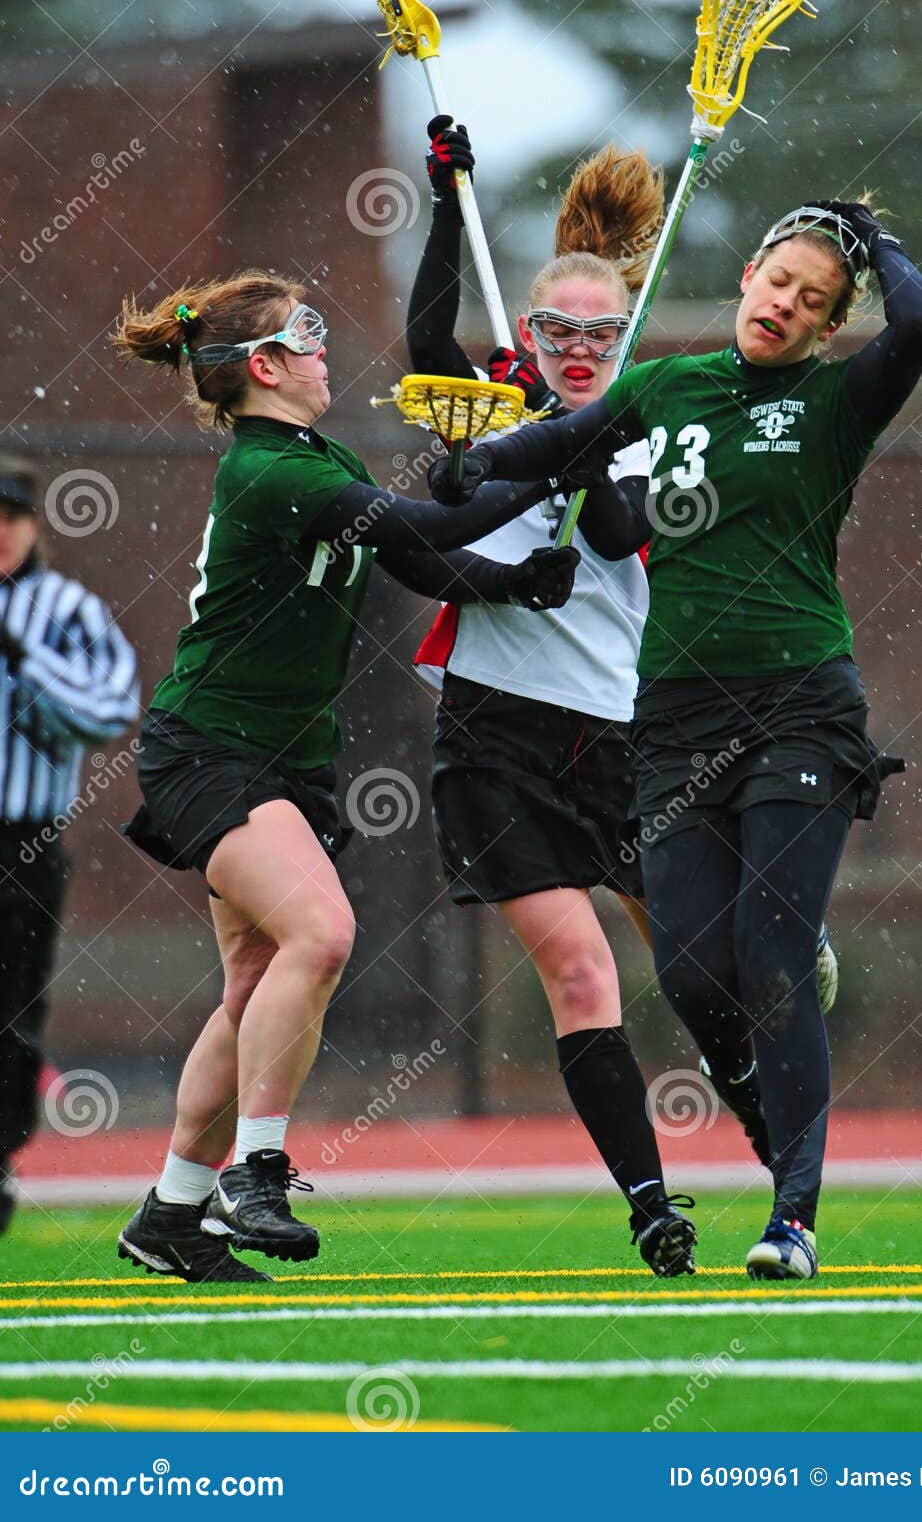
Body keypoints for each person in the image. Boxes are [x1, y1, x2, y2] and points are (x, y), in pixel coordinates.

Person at [427, 198, 922, 1280]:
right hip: (672, 716)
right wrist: (475, 469)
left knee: (771, 961)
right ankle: (776, 1142)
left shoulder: (836, 399)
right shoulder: (663, 389)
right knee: (696, 972)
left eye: (813, 299)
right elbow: (559, 445)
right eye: (777, 281)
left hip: (800, 701)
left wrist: (871, 241)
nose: (786, 304)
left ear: (826, 325)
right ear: (746, 274)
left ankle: (792, 1216)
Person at [111, 272, 579, 1282]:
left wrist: (513, 581)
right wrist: (544, 458)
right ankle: (258, 1169)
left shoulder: (318, 457)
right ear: (265, 368)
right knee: (320, 934)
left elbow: (416, 558)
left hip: (285, 756)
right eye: (304, 335)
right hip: (212, 745)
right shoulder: (266, 471)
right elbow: (428, 528)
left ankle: (169, 1218)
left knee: (250, 988)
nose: (326, 350)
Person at [407, 116, 700, 1277]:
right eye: (561, 331)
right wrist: (445, 199)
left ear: (623, 333)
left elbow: (628, 531)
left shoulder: (638, 412)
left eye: (602, 332)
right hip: (498, 723)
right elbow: (429, 341)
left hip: (617, 725)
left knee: (699, 958)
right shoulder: (496, 393)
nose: (582, 348)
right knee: (585, 970)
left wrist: (578, 447)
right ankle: (650, 1205)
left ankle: (789, 1164)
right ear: (531, 330)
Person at [0, 453, 139, 1235]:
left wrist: (25, 661)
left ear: (33, 525)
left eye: (11, 517)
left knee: (12, 1009)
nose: (0, 534)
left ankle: (0, 1154)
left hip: (21, 840)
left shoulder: (64, 611)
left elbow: (106, 707)